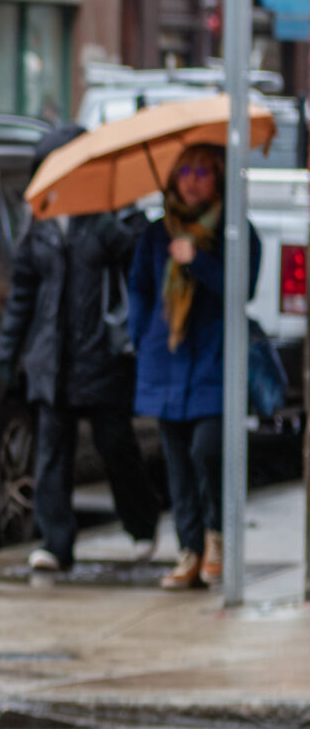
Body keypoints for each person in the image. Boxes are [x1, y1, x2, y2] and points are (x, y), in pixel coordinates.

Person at [0, 124, 163, 572]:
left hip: (100, 356)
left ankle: (142, 524)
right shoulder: (41, 221)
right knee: (52, 453)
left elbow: (140, 266)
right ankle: (56, 543)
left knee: (116, 446)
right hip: (52, 359)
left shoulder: (108, 216)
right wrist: (8, 352)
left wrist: (116, 235)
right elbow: (23, 292)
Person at [129, 140, 263, 590]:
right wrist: (141, 337)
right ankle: (189, 551)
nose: (191, 181)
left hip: (214, 362)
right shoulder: (156, 233)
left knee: (208, 451)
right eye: (184, 172)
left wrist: (199, 261)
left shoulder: (237, 231)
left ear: (220, 179)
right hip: (166, 361)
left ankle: (217, 538)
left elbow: (239, 290)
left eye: (203, 172)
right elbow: (140, 291)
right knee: (176, 464)